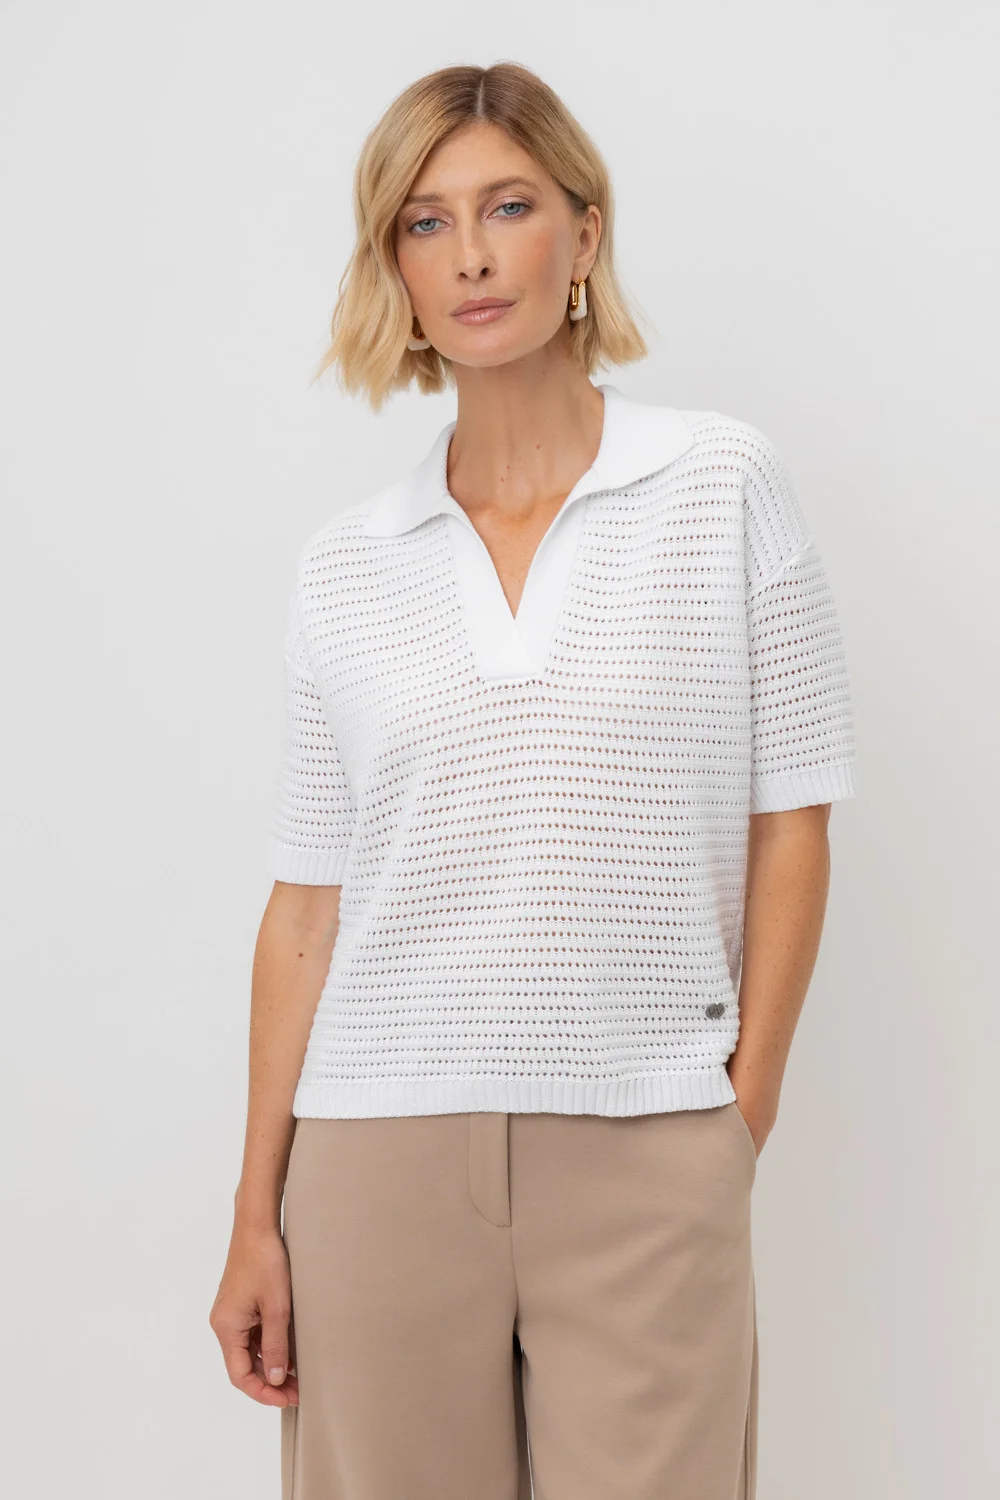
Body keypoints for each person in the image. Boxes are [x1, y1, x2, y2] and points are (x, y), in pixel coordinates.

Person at [209, 61, 857, 1500]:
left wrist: (737, 1111)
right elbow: (306, 908)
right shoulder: (347, 565)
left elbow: (793, 819)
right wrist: (257, 1212)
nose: (473, 254)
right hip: (375, 1157)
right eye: (425, 222)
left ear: (584, 232)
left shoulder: (721, 484)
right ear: (395, 268)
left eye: (508, 207)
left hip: (650, 1146)